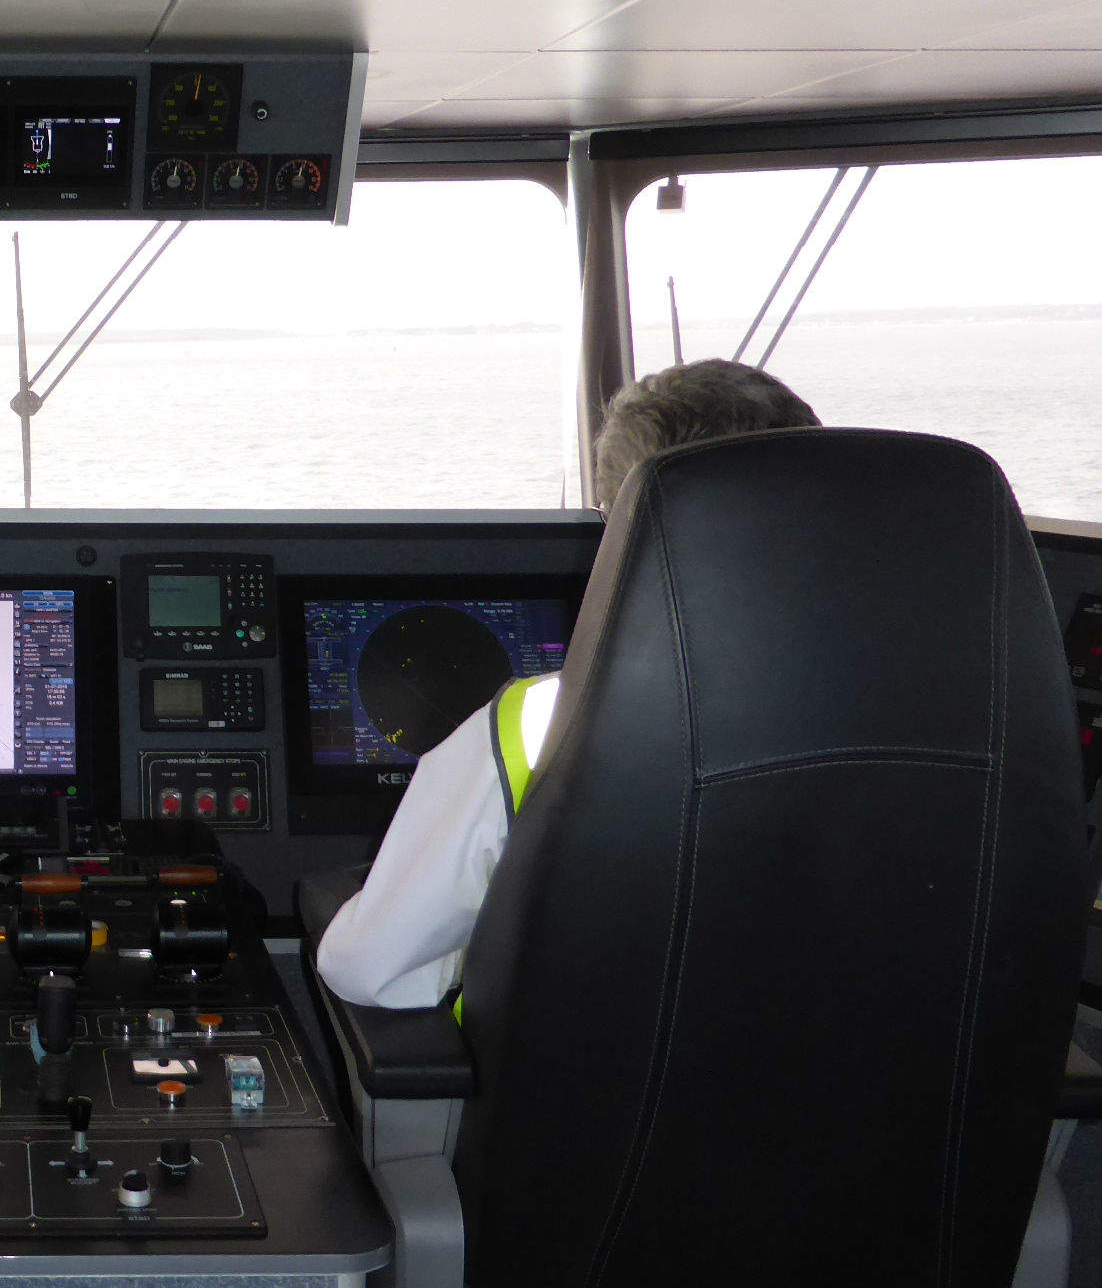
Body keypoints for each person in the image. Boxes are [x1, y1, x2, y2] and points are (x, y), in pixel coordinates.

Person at [315, 359, 821, 1008]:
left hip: (605, 1073)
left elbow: (370, 969)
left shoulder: (545, 722)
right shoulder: (948, 703)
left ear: (631, 530)